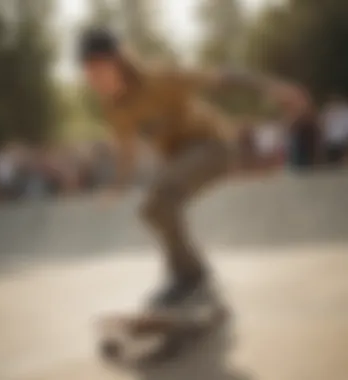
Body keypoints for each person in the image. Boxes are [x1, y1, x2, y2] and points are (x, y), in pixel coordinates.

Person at [77, 28, 309, 308]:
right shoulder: (113, 107)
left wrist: (274, 86)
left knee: (161, 197)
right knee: (152, 210)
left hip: (215, 146)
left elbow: (222, 76)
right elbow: (127, 150)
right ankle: (192, 273)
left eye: (98, 71)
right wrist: (118, 185)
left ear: (118, 62)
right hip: (181, 158)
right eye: (89, 74)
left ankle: (189, 277)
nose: (94, 81)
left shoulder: (159, 79)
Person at [321, 95, 348, 166]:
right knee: (331, 161)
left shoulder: (343, 110)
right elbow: (323, 124)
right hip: (330, 141)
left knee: (340, 160)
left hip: (341, 141)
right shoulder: (328, 110)